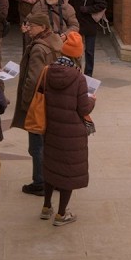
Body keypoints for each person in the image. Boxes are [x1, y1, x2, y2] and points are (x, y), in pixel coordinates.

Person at [11, 12, 63, 196]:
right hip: (53, 100)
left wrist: (26, 101)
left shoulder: (38, 49)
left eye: (31, 26)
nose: (28, 29)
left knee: (36, 145)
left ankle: (40, 182)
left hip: (38, 102)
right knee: (51, 143)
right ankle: (55, 179)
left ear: (42, 27)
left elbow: (33, 79)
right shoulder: (55, 41)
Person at [39, 54, 95, 225]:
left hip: (52, 129)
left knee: (51, 167)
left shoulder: (47, 73)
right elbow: (83, 108)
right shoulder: (78, 78)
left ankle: (46, 207)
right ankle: (61, 214)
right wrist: (92, 101)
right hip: (72, 133)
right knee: (68, 172)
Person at [69, 0, 107, 76]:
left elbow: (102, 4)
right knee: (75, 49)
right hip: (77, 24)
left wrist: (87, 9)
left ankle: (88, 74)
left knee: (89, 51)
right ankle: (76, 71)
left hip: (89, 24)